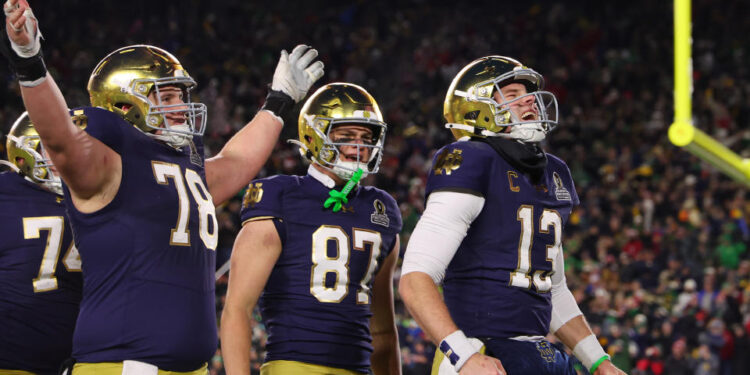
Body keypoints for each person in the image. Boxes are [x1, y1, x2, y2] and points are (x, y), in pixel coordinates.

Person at [1, 0, 324, 373]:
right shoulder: (108, 165)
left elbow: (237, 162)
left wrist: (278, 102)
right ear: (124, 105)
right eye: (167, 96)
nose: (181, 106)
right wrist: (29, 61)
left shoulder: (181, 168)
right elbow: (58, 139)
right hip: (127, 364)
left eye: (181, 95)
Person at [398, 56, 625, 375]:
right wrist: (463, 356)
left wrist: (599, 361)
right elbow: (415, 278)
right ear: (477, 107)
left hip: (537, 351)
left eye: (529, 92)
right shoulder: (471, 159)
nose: (530, 98)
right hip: (481, 352)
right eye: (513, 91)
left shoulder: (554, 172)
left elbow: (554, 288)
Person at [221, 83, 402, 375]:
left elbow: (382, 330)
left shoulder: (382, 209)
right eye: (346, 136)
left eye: (367, 137)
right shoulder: (280, 195)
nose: (359, 146)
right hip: (294, 366)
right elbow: (237, 310)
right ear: (313, 135)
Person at [0, 113, 82, 375]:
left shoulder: (97, 200)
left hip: (75, 361)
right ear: (26, 149)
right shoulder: (6, 193)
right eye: (53, 146)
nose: (64, 155)